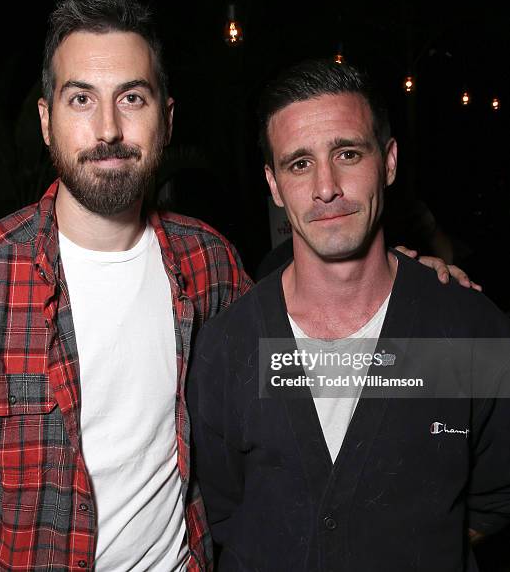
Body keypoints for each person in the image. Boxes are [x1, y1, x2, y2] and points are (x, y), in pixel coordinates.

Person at [0, 0, 472, 572]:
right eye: (81, 99)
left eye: (132, 98)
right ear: (46, 119)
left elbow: (304, 323)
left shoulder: (206, 262)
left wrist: (401, 276)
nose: (108, 128)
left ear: (166, 117)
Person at [187, 59, 510, 571]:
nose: (326, 187)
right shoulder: (227, 348)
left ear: (389, 161)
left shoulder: (466, 329)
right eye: (299, 164)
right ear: (274, 185)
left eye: (348, 153)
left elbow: (492, 499)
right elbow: (226, 511)